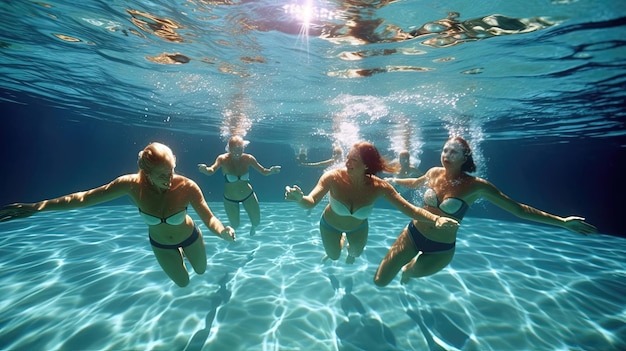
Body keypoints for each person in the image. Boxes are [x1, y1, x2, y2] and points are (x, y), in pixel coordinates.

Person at [0, 142, 235, 287]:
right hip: (160, 243)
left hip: (189, 236)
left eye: (171, 171)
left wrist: (222, 230)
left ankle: (186, 253)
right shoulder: (130, 185)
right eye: (163, 174)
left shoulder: (186, 187)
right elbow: (84, 198)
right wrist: (36, 207)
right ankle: (177, 256)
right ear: (146, 171)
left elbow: (209, 218)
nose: (169, 179)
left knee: (201, 270)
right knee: (183, 283)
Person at [374, 136, 598, 287]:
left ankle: (408, 279)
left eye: (454, 152)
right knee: (380, 281)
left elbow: (518, 210)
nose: (447, 154)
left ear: (465, 157)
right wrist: (394, 180)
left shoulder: (477, 186)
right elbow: (416, 182)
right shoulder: (433, 173)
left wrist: (562, 222)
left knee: (408, 274)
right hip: (413, 235)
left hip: (440, 249)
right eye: (445, 150)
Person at [285, 141, 459, 264]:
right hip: (330, 225)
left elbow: (410, 209)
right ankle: (341, 241)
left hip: (358, 227)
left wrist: (435, 219)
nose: (347, 162)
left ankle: (349, 246)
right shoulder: (332, 177)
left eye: (353, 160)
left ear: (366, 165)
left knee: (354, 254)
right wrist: (299, 199)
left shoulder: (379, 186)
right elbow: (311, 202)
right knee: (334, 257)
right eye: (347, 157)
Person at [198, 136, 281, 236]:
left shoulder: (248, 158)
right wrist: (205, 169)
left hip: (248, 195)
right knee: (235, 225)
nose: (237, 153)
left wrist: (271, 171)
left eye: (240, 150)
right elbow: (211, 170)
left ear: (243, 148)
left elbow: (263, 171)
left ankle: (253, 228)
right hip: (230, 199)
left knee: (256, 222)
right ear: (229, 148)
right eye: (235, 150)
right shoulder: (222, 159)